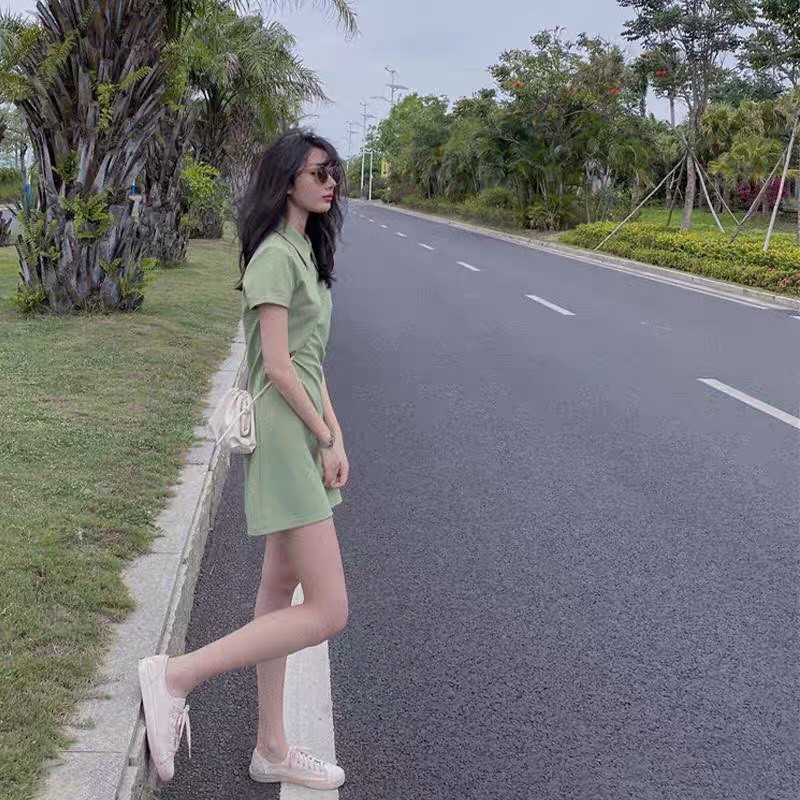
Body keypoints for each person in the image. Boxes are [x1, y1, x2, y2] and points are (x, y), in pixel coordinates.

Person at [137, 130, 350, 791]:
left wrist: (335, 435)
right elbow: (278, 367)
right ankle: (176, 676)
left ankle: (271, 747)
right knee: (328, 610)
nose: (330, 183)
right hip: (286, 436)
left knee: (279, 591)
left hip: (304, 430)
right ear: (286, 181)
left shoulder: (302, 251)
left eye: (334, 173)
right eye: (318, 173)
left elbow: (310, 361)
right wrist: (320, 435)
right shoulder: (274, 256)